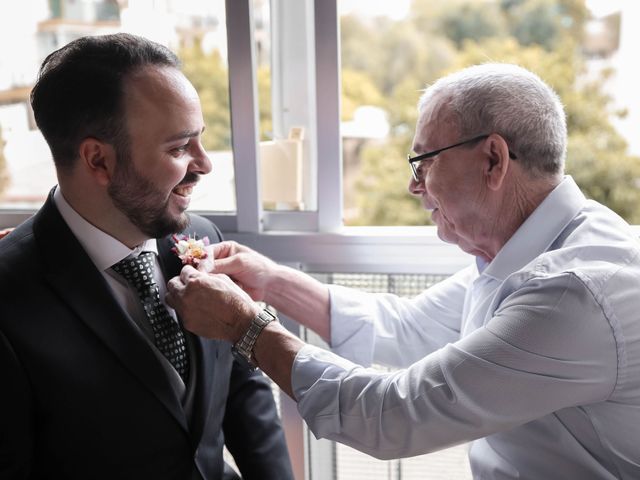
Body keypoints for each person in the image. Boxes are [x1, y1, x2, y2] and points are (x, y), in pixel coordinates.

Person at [167, 63, 640, 479]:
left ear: (493, 159)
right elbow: (406, 326)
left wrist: (242, 325)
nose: (413, 186)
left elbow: (391, 415)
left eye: (423, 162)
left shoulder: (572, 293)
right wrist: (271, 279)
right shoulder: (526, 253)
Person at [0, 33, 293, 480]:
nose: (204, 164)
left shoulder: (200, 236)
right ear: (98, 160)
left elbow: (240, 388)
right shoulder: (7, 294)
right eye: (179, 148)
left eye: (200, 140)